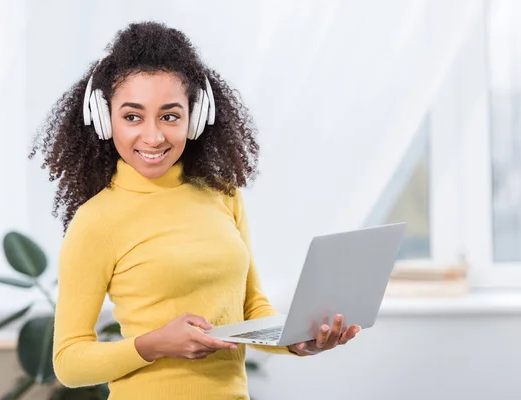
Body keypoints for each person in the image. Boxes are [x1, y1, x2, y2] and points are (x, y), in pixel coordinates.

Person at [30, 21, 360, 399]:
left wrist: (299, 343)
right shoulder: (96, 221)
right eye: (132, 116)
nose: (153, 137)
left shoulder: (224, 195)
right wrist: (155, 344)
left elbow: (252, 307)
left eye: (169, 116)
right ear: (104, 120)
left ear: (195, 116)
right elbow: (69, 363)